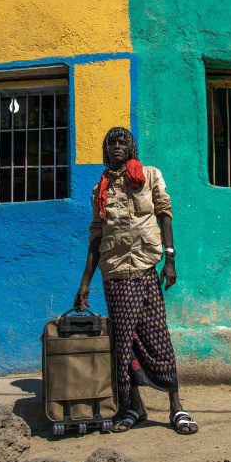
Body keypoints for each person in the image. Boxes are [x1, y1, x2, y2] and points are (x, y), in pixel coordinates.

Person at [74, 127, 198, 434]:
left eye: (122, 142)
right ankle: (135, 407)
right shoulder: (99, 189)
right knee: (124, 344)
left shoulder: (150, 175)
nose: (116, 147)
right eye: (110, 144)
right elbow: (96, 235)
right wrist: (85, 282)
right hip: (114, 274)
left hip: (145, 270)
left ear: (131, 148)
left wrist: (169, 258)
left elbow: (164, 213)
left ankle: (176, 407)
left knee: (158, 337)